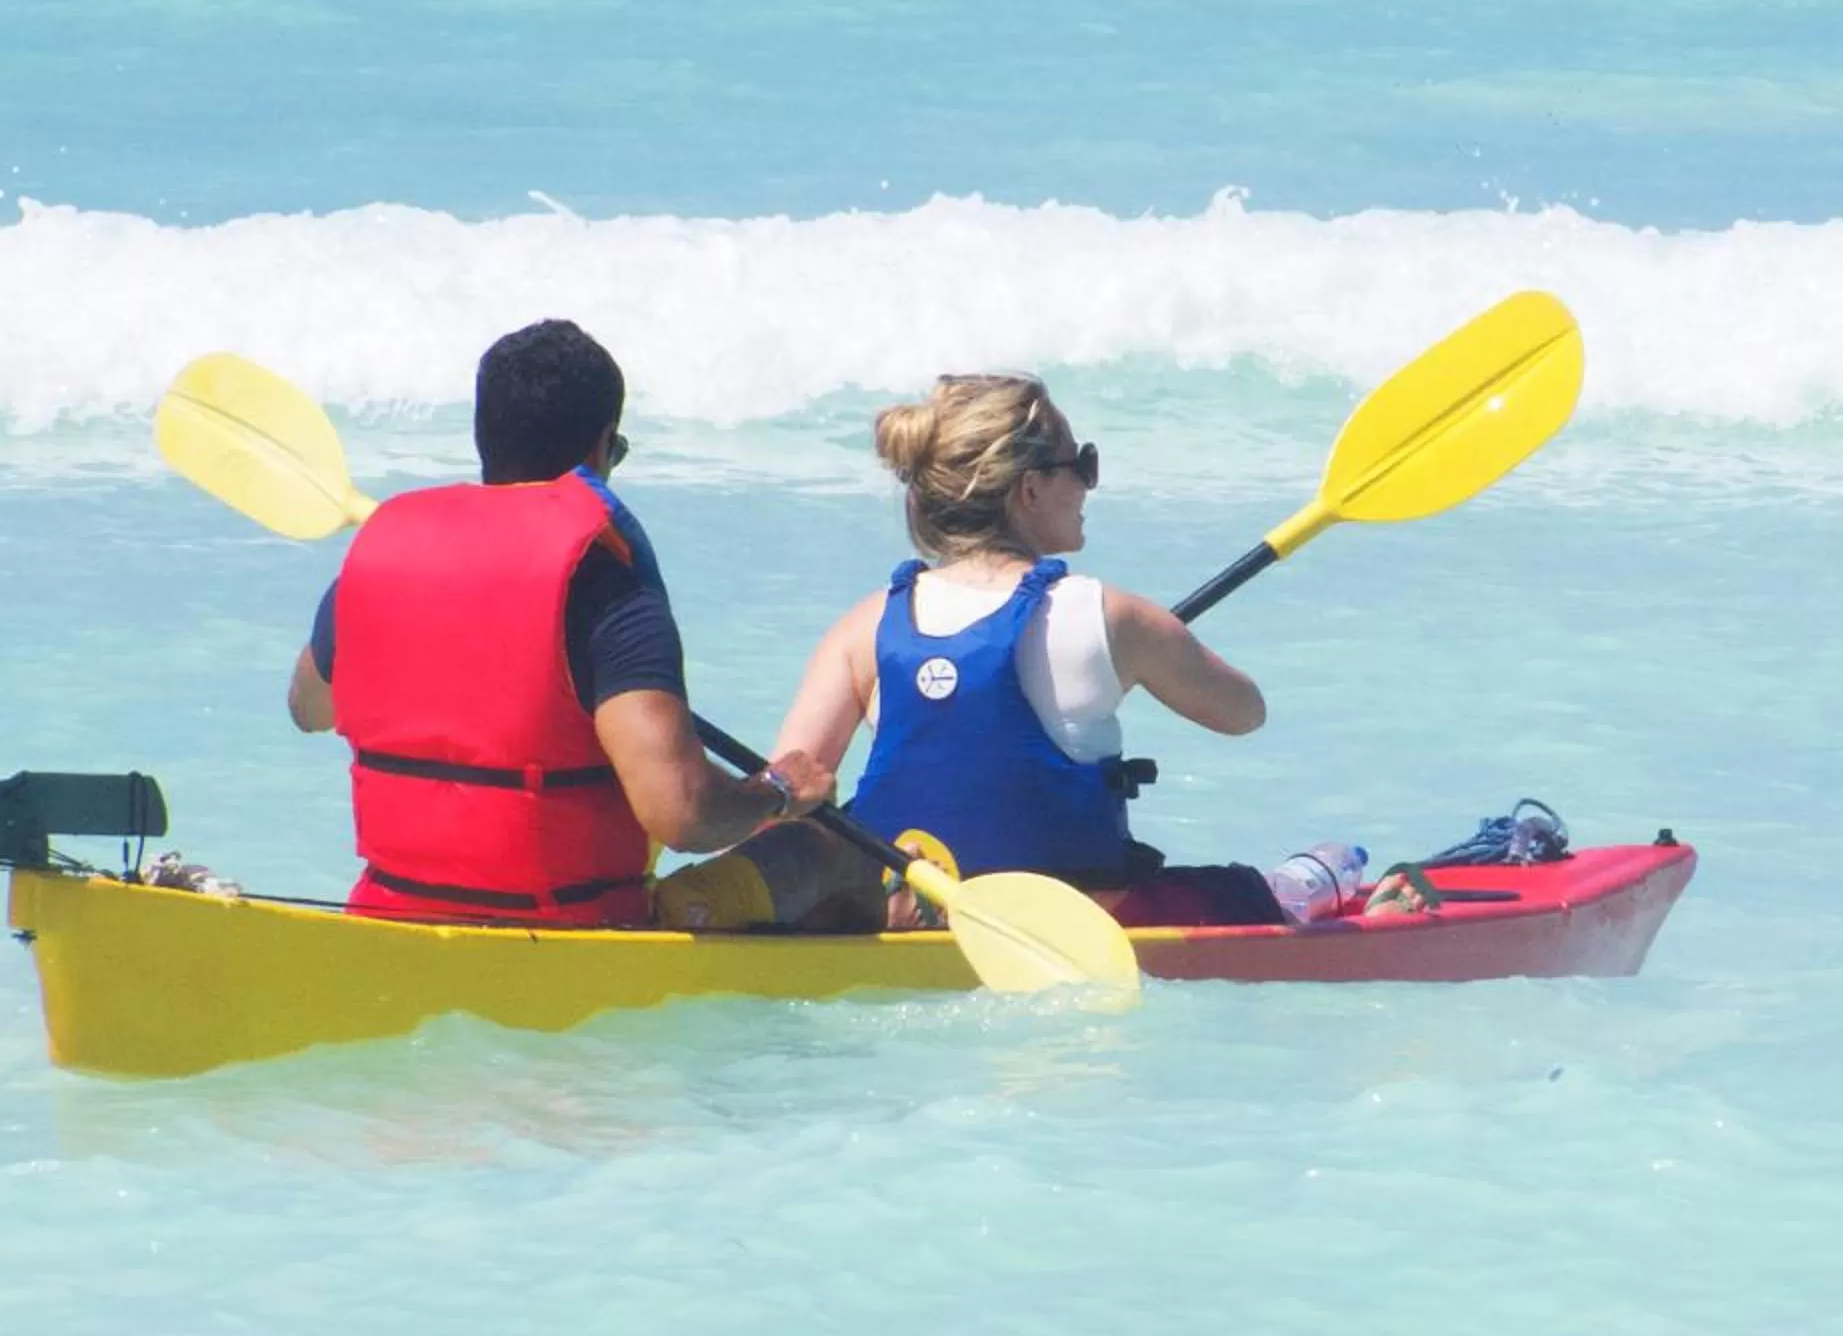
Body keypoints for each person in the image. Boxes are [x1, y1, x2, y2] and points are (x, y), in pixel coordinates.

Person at [286, 319, 829, 925]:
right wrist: (776, 792)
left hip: (391, 914)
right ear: (600, 447)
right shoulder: (601, 580)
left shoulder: (381, 556)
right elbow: (682, 813)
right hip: (568, 929)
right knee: (821, 853)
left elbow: (310, 708)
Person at [749, 371, 1284, 929]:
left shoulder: (863, 627)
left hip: (907, 913)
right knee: (1242, 891)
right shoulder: (1114, 616)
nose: (1088, 486)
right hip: (1081, 920)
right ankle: (1319, 882)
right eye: (1084, 466)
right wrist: (1152, 648)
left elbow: (783, 792)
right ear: (1029, 490)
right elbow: (1244, 713)